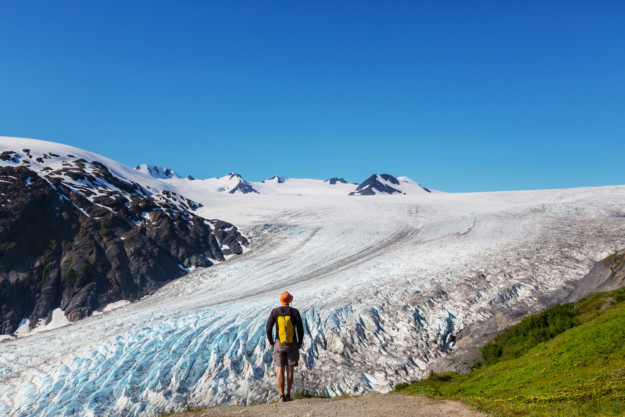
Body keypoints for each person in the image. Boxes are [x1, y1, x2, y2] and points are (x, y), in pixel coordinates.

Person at [266, 291, 304, 402]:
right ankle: (288, 395)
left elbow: (268, 328)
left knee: (280, 371)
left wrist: (272, 342)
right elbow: (300, 329)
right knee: (290, 371)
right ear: (290, 300)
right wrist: (299, 342)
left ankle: (281, 396)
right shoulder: (294, 311)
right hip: (292, 343)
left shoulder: (275, 312)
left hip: (279, 343)